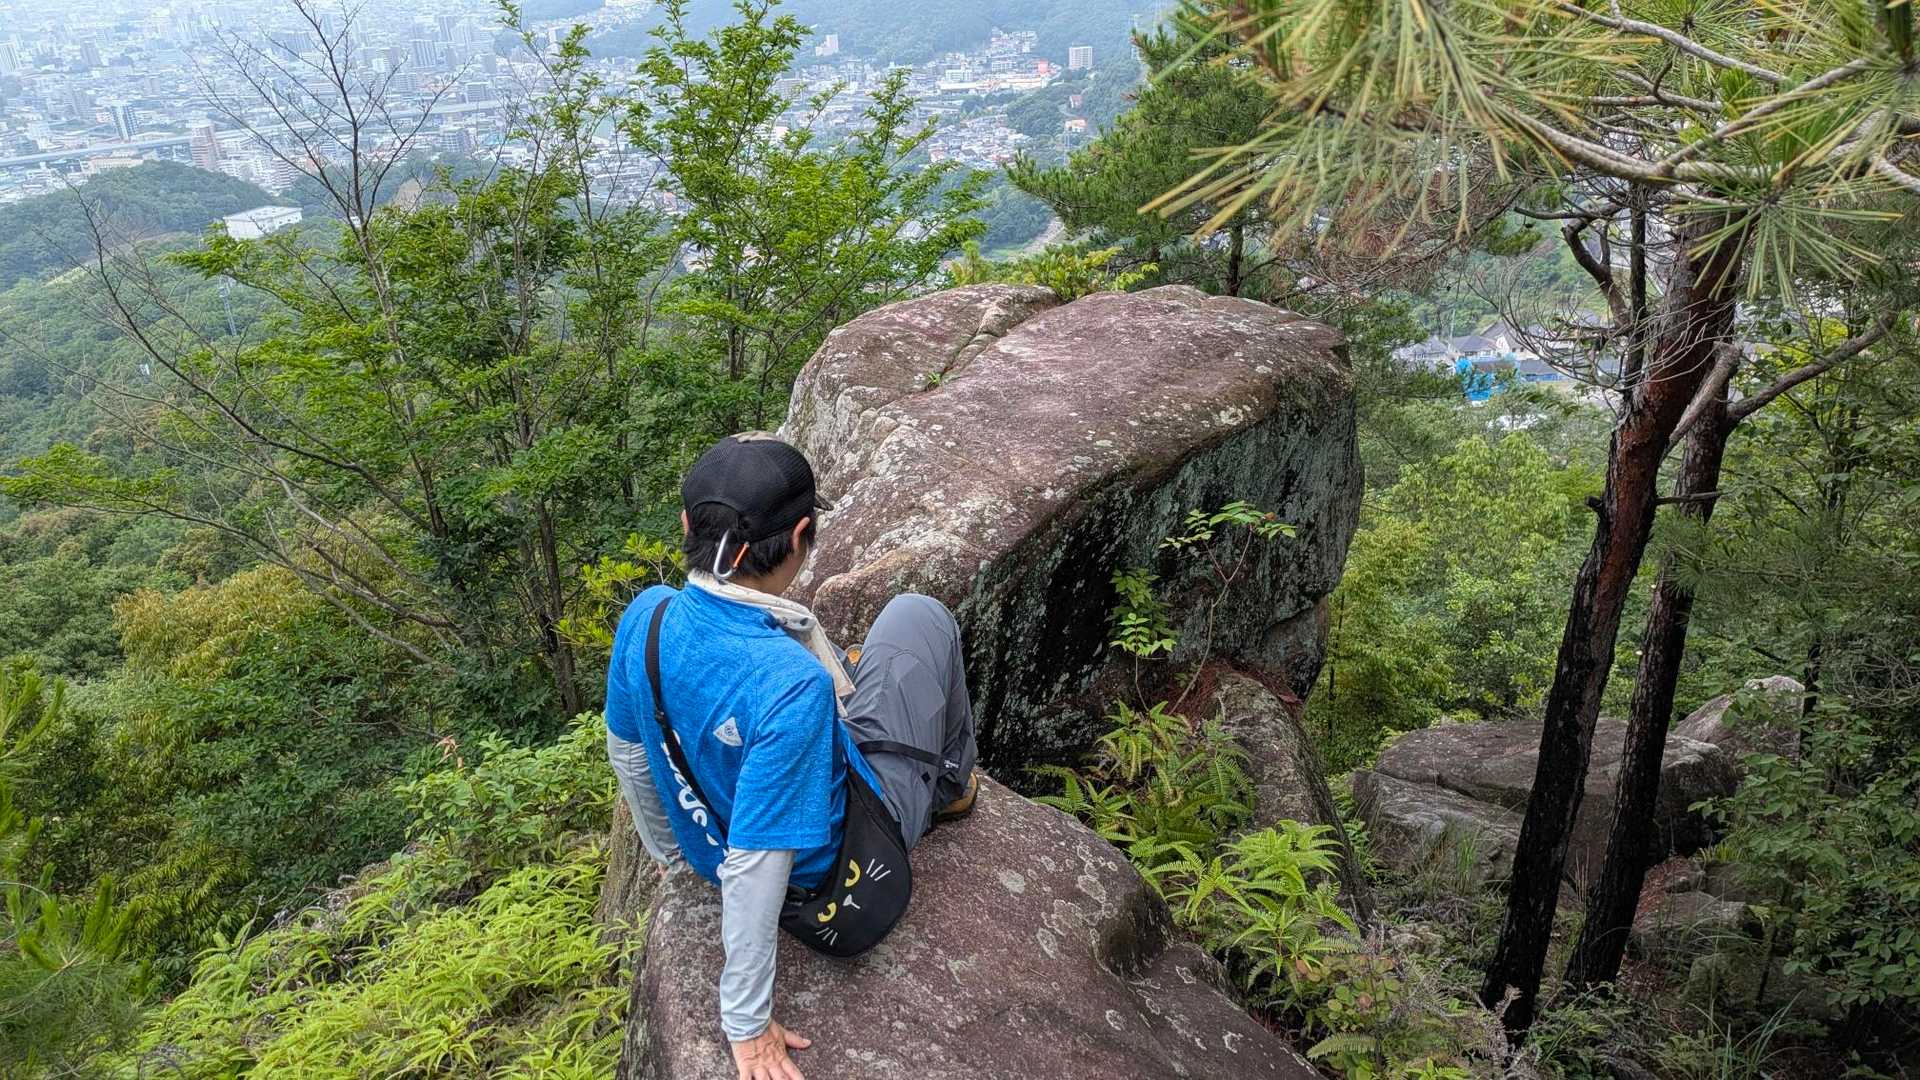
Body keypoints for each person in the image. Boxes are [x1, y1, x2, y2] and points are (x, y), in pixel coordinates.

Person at [604, 432, 980, 1080]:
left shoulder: (648, 616)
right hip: (836, 867)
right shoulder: (789, 682)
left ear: (687, 526)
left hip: (712, 849)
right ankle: (947, 787)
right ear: (803, 535)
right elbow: (759, 863)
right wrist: (746, 1024)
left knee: (845, 681)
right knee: (917, 616)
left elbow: (631, 756)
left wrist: (676, 854)